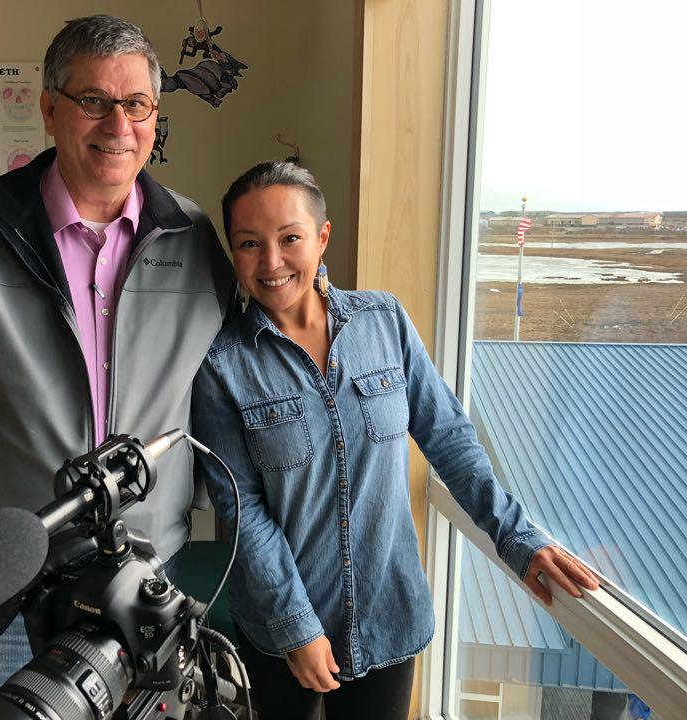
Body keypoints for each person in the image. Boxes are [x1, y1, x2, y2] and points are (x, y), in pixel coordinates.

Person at [0, 15, 234, 707]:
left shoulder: (194, 239)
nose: (117, 124)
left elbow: (224, 388)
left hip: (145, 574)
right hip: (5, 582)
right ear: (50, 108)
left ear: (155, 116)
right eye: (93, 99)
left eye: (137, 105)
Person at [191, 161, 599, 720]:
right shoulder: (221, 367)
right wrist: (297, 628)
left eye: (290, 238)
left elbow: (450, 439)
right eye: (248, 244)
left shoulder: (384, 322)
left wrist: (518, 538)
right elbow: (244, 514)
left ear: (322, 237)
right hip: (280, 625)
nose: (272, 262)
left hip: (389, 615)